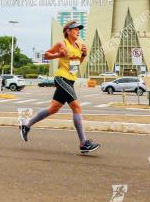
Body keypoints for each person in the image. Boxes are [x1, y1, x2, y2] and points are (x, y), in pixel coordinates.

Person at [19, 20, 100, 154]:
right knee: (77, 107)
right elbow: (46, 55)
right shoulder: (62, 44)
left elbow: (76, 64)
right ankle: (83, 143)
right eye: (75, 29)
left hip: (70, 79)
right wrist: (58, 55)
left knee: (53, 108)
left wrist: (84, 55)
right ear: (68, 31)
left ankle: (26, 125)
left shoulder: (79, 45)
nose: (78, 31)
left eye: (79, 29)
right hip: (62, 78)